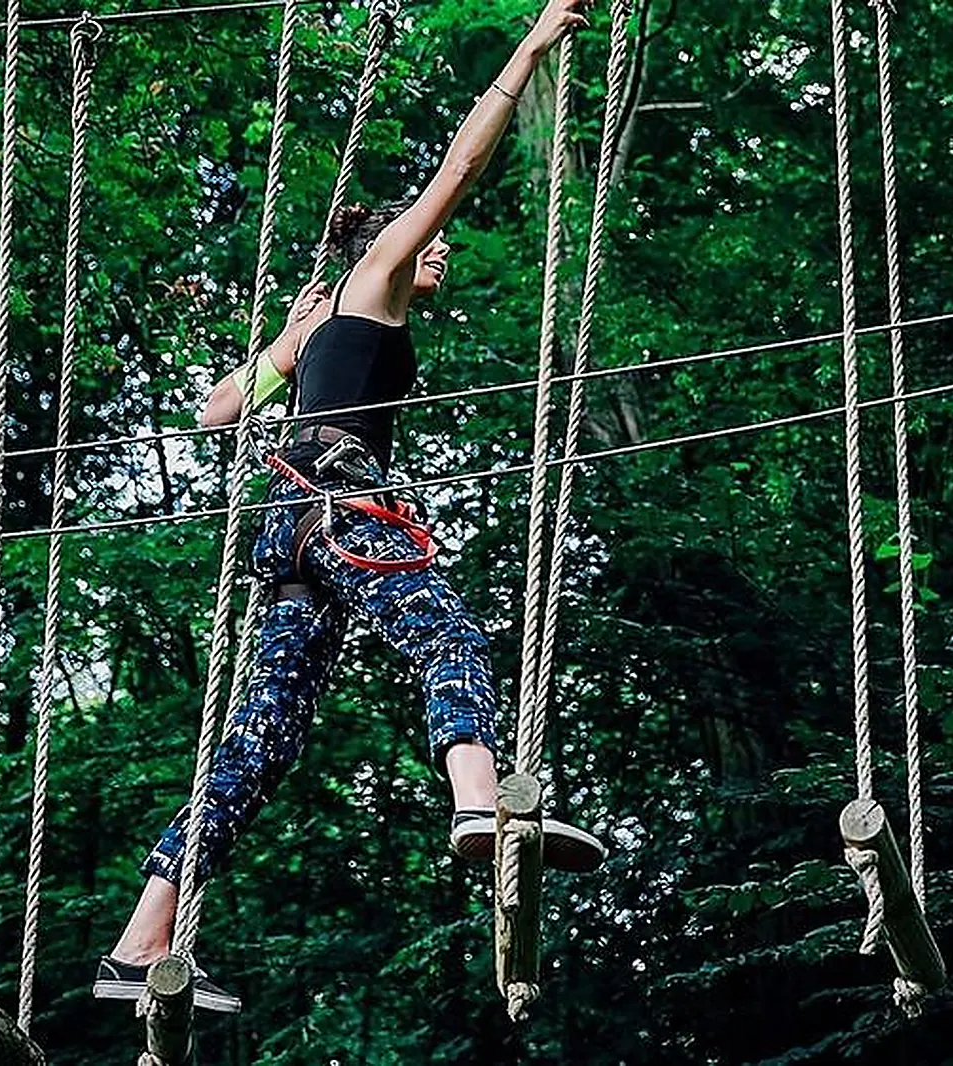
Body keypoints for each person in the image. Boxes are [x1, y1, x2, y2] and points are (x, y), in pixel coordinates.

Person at [92, 0, 603, 1014]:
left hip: (289, 529)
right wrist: (534, 44)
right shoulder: (370, 283)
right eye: (428, 247)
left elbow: (218, 409)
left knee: (259, 743)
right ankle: (478, 808)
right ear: (388, 244)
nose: (440, 254)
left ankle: (133, 945)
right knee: (448, 637)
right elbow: (455, 172)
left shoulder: (323, 321)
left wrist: (284, 341)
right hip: (337, 500)